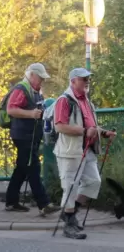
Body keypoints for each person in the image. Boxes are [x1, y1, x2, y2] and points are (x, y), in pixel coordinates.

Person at [54, 68, 116, 240]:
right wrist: (84, 131)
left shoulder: (86, 101)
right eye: (83, 79)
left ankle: (70, 213)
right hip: (70, 151)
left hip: (87, 148)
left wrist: (103, 133)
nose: (87, 81)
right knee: (71, 186)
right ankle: (69, 224)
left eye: (88, 78)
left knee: (93, 182)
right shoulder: (64, 100)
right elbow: (59, 126)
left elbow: (91, 126)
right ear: (73, 81)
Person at [4, 63, 60, 216]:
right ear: (33, 75)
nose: (42, 81)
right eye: (40, 78)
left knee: (22, 169)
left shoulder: (34, 90)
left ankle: (11, 201)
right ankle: (44, 204)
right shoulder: (21, 89)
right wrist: (31, 114)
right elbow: (11, 109)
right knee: (33, 168)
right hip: (23, 136)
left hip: (29, 135)